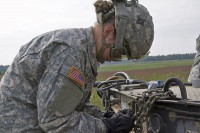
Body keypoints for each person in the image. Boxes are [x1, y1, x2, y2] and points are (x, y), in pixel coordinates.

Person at [0, 0, 154, 132]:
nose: (115, 60)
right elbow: (54, 121)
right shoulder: (70, 54)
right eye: (119, 53)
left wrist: (104, 117)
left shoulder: (84, 51)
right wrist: (106, 126)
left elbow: (71, 105)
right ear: (108, 32)